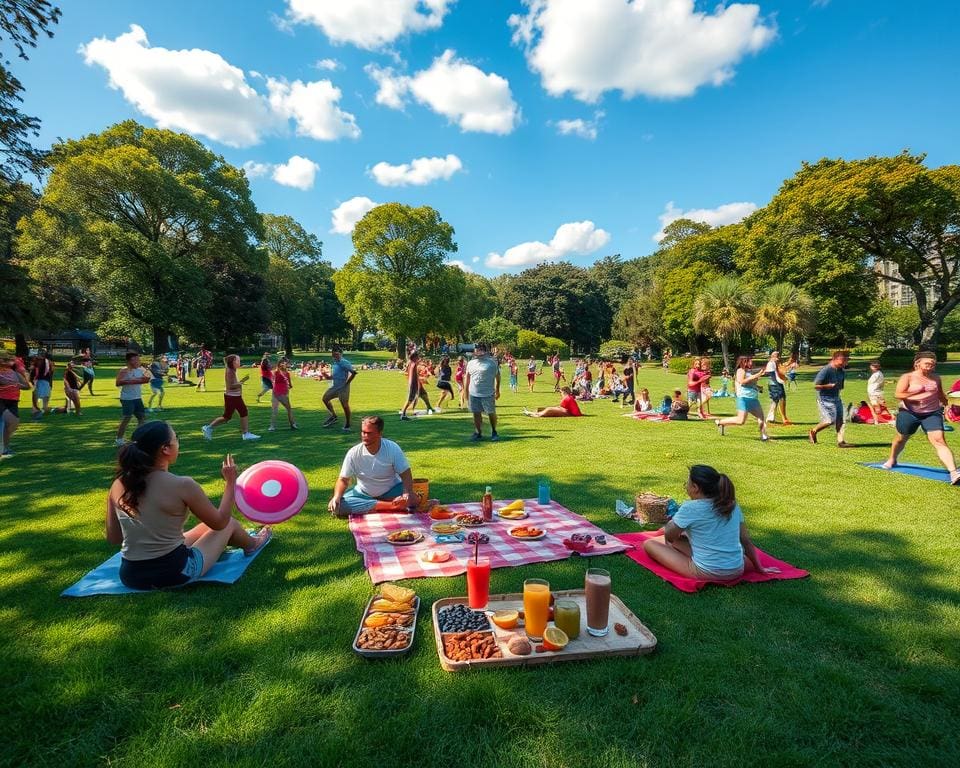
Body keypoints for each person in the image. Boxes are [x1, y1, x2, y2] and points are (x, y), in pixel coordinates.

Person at [105, 421, 271, 590]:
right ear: (166, 449)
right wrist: (231, 483)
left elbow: (114, 538)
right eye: (176, 438)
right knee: (230, 524)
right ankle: (252, 544)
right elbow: (220, 522)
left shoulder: (118, 484)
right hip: (174, 573)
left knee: (205, 527)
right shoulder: (182, 485)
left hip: (131, 575)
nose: (178, 441)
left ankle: (246, 541)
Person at [642, 465, 780, 580]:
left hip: (707, 572)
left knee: (649, 544)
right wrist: (759, 568)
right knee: (680, 539)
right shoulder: (732, 505)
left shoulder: (691, 507)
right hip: (737, 569)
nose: (685, 486)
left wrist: (672, 525)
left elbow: (670, 537)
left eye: (687, 483)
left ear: (695, 487)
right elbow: (746, 541)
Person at [882, 351, 958, 484]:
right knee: (901, 438)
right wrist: (918, 393)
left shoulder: (936, 378)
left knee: (939, 440)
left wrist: (948, 403)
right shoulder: (908, 377)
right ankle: (892, 459)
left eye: (933, 364)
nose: (930, 366)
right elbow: (898, 394)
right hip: (909, 412)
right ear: (917, 364)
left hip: (931, 413)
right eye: (927, 363)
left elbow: (940, 395)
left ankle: (953, 473)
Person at [327, 415, 423, 517]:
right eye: (363, 432)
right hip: (364, 494)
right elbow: (343, 479)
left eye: (369, 433)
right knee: (337, 507)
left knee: (413, 500)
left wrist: (406, 493)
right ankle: (391, 506)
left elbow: (405, 473)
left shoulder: (392, 448)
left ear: (380, 434)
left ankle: (377, 506)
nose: (364, 436)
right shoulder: (354, 452)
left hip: (392, 491)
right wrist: (336, 497)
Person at [202, 354, 260, 441]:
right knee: (236, 414)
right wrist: (241, 382)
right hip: (232, 397)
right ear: (233, 362)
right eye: (238, 360)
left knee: (230, 416)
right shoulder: (230, 371)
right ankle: (245, 434)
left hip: (234, 396)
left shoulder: (232, 369)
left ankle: (209, 428)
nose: (239, 362)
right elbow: (230, 386)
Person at [716, 356, 769, 441]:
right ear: (743, 362)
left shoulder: (749, 372)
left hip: (754, 399)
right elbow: (742, 381)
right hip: (743, 399)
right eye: (748, 361)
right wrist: (756, 375)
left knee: (761, 418)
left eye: (751, 361)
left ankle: (763, 435)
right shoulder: (740, 370)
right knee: (741, 421)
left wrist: (758, 387)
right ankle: (720, 422)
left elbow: (750, 384)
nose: (751, 363)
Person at [810, 349, 852, 447]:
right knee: (829, 421)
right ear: (835, 359)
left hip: (836, 397)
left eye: (846, 361)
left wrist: (837, 387)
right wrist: (827, 386)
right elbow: (816, 386)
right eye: (843, 361)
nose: (845, 363)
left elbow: (841, 386)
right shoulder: (826, 370)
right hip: (824, 398)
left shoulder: (841, 371)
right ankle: (813, 431)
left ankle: (841, 442)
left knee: (840, 420)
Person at [465, 341, 501, 441]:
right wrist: (465, 395)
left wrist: (497, 390)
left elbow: (498, 377)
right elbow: (467, 379)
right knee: (476, 413)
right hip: (474, 393)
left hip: (488, 393)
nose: (476, 351)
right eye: (476, 349)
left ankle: (494, 431)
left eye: (479, 349)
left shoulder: (491, 363)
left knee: (490, 412)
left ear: (484, 350)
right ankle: (478, 432)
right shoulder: (471, 363)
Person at [115, 352, 152, 447]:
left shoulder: (140, 370)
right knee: (127, 418)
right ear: (129, 361)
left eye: (138, 360)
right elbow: (118, 382)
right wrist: (135, 380)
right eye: (135, 360)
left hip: (137, 398)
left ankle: (137, 438)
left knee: (142, 418)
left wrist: (145, 370)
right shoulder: (124, 370)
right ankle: (119, 440)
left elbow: (147, 378)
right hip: (127, 399)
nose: (138, 362)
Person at [0, 353, 31, 458]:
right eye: (6, 360)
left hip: (13, 401)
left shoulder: (15, 373)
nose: (10, 362)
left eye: (11, 360)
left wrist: (22, 379)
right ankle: (3, 449)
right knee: (6, 423)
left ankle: (4, 448)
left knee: (12, 425)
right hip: (1, 400)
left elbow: (27, 386)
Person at [323, 345, 357, 431]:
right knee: (325, 399)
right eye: (334, 355)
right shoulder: (335, 363)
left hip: (343, 388)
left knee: (345, 406)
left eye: (337, 354)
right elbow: (334, 376)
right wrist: (326, 376)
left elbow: (353, 373)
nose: (335, 356)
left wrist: (347, 383)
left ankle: (348, 425)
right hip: (335, 387)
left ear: (341, 354)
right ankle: (334, 416)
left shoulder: (344, 362)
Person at [400, 350, 432, 420]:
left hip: (413, 383)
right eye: (417, 356)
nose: (418, 357)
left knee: (414, 398)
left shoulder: (412, 363)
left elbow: (414, 374)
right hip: (413, 384)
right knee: (410, 400)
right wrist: (416, 382)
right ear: (415, 357)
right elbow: (413, 375)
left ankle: (404, 414)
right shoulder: (413, 364)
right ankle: (403, 414)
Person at [269, 357, 297, 431]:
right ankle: (272, 426)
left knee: (289, 409)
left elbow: (290, 385)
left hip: (284, 392)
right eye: (282, 363)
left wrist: (288, 386)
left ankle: (292, 424)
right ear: (279, 364)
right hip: (276, 393)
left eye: (285, 363)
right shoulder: (276, 373)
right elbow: (273, 381)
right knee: (275, 409)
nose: (284, 364)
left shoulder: (287, 373)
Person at [763, 351, 792, 425]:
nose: (778, 358)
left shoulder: (775, 363)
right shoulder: (770, 364)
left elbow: (778, 373)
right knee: (782, 398)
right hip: (774, 384)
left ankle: (770, 418)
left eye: (779, 356)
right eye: (777, 356)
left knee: (775, 400)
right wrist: (779, 384)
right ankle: (784, 418)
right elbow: (772, 376)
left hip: (775, 384)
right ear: (772, 357)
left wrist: (784, 377)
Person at [30, 351, 54, 419]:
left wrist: (31, 380)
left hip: (39, 381)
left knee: (36, 397)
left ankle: (36, 411)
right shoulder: (50, 363)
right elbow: (50, 375)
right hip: (45, 381)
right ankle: (41, 411)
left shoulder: (38, 362)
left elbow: (33, 371)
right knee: (44, 399)